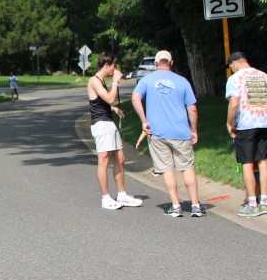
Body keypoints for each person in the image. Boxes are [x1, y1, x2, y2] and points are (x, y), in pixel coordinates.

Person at [131, 50, 205, 217]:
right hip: (181, 132)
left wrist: (144, 121)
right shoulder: (182, 81)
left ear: (155, 64)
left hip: (158, 133)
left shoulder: (147, 80)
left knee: (167, 169)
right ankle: (195, 205)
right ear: (171, 63)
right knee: (187, 167)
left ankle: (176, 206)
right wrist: (193, 129)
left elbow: (135, 98)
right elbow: (192, 109)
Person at [88, 52, 143, 210]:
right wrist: (115, 82)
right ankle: (106, 198)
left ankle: (122, 194)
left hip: (108, 121)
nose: (115, 69)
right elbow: (110, 98)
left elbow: (103, 101)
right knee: (104, 159)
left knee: (120, 158)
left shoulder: (102, 81)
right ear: (106, 65)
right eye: (114, 66)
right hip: (101, 124)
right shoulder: (94, 81)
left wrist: (114, 109)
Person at [225, 51, 267, 217]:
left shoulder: (235, 79)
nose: (231, 69)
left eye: (231, 67)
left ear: (235, 63)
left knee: (247, 163)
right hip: (264, 123)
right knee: (263, 161)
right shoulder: (263, 76)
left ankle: (252, 204)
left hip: (246, 125)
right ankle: (265, 201)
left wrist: (229, 123)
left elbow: (234, 104)